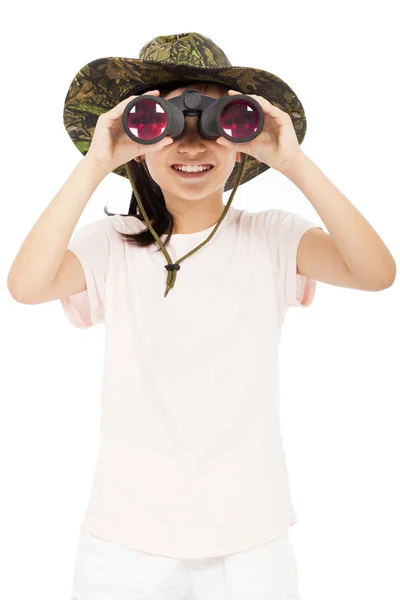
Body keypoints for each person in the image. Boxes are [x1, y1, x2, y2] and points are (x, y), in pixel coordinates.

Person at [7, 32, 395, 600]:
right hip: (127, 540)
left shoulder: (272, 237)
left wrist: (293, 162)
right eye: (164, 125)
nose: (192, 146)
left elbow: (376, 272)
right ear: (139, 140)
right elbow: (26, 285)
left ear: (241, 140)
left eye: (217, 122)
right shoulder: (111, 244)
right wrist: (95, 163)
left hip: (249, 538)